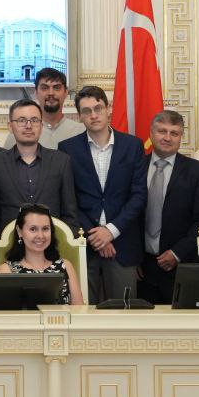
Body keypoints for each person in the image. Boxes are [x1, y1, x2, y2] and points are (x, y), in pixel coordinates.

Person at [60, 86, 147, 304]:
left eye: (98, 108)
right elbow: (69, 200)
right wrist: (97, 236)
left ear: (109, 109)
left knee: (124, 317)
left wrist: (110, 231)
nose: (93, 115)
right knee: (81, 315)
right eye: (86, 111)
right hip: (84, 245)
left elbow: (138, 195)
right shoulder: (67, 149)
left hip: (123, 244)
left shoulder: (133, 145)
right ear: (79, 116)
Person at [137, 111, 199, 304]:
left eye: (174, 133)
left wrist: (177, 252)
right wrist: (134, 257)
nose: (167, 137)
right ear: (151, 133)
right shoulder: (135, 167)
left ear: (181, 136)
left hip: (181, 264)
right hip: (140, 267)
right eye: (162, 131)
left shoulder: (198, 171)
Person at [0, 98, 79, 234]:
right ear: (10, 126)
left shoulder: (61, 161)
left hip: (52, 248)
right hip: (10, 249)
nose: (28, 126)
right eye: (22, 120)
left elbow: (70, 215)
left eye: (34, 120)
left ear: (41, 126)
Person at [0, 203, 85, 305]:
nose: (40, 235)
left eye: (45, 229)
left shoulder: (66, 266)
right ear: (19, 231)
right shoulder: (7, 270)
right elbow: (6, 316)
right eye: (33, 229)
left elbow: (79, 312)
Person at [2, 67, 81, 148]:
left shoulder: (80, 132)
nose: (51, 93)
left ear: (65, 93)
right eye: (44, 88)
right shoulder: (19, 134)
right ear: (36, 93)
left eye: (56, 88)